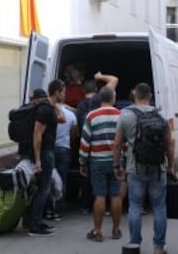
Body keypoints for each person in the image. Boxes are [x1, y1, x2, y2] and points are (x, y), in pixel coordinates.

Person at [113, 82, 175, 254]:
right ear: (150, 97)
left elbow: (117, 144)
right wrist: (170, 166)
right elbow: (170, 143)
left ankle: (134, 244)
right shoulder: (161, 116)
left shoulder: (126, 116)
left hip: (135, 169)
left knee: (135, 206)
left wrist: (117, 165)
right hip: (158, 169)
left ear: (135, 95)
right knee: (159, 207)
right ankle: (159, 246)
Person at [79, 86, 122, 242]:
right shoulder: (121, 115)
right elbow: (125, 142)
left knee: (100, 195)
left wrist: (82, 162)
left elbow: (85, 142)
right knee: (116, 195)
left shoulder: (91, 116)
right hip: (116, 161)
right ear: (113, 98)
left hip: (97, 161)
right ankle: (116, 230)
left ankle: (97, 231)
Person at [76, 71, 119, 214]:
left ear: (83, 91)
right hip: (110, 154)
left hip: (93, 152)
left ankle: (85, 206)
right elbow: (114, 79)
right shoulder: (100, 101)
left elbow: (83, 135)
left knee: (91, 182)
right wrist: (100, 77)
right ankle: (110, 214)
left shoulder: (81, 107)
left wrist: (82, 160)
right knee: (112, 190)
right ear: (97, 91)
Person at [28, 79, 66, 236]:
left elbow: (62, 119)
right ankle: (34, 227)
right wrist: (38, 159)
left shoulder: (49, 108)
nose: (65, 95)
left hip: (48, 152)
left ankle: (37, 221)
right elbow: (37, 134)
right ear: (56, 92)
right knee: (43, 190)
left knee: (44, 189)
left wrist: (54, 104)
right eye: (63, 92)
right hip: (44, 153)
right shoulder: (44, 110)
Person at [45, 102, 78, 221]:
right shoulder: (71, 115)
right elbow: (74, 134)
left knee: (48, 180)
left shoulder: (48, 114)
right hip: (64, 150)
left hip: (49, 149)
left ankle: (48, 210)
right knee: (62, 179)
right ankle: (58, 211)